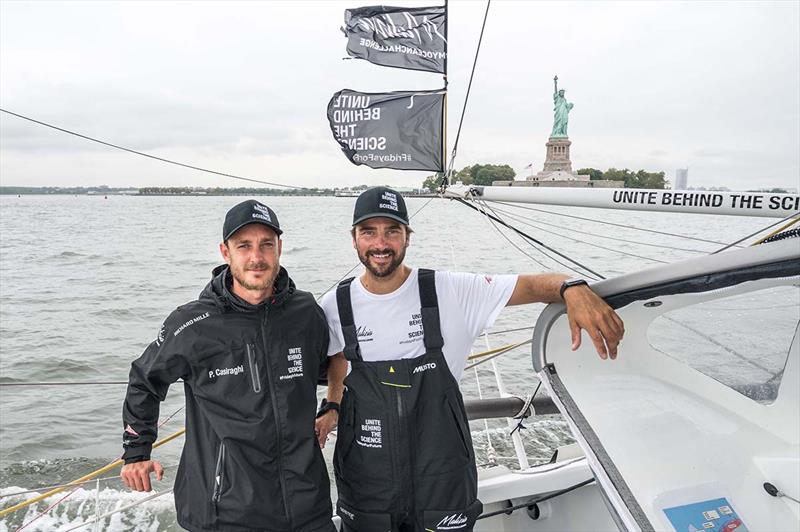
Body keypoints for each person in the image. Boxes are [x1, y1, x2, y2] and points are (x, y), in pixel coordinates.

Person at [315, 187, 624, 532]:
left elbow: (533, 286)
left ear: (408, 237)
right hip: (367, 482)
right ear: (354, 238)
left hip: (443, 481)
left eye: (392, 231)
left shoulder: (450, 291)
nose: (380, 243)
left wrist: (573, 288)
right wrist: (332, 403)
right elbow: (339, 356)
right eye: (368, 232)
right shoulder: (334, 304)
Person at [121, 199, 335, 532]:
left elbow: (332, 360)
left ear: (280, 248)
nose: (256, 257)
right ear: (225, 252)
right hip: (226, 512)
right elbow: (145, 380)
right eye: (244, 246)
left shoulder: (305, 311)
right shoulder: (192, 323)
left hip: (308, 505)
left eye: (266, 245)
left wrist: (334, 405)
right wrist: (137, 451)